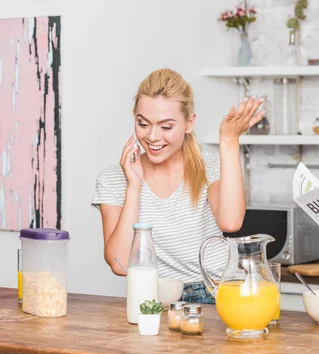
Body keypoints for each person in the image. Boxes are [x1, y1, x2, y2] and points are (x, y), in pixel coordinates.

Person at [92, 69, 264, 304]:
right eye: (143, 124)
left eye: (166, 127)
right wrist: (134, 185)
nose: (153, 137)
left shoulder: (209, 167)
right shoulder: (113, 179)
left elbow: (231, 223)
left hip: (216, 293)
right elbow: (120, 263)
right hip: (153, 297)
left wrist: (229, 141)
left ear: (189, 123)